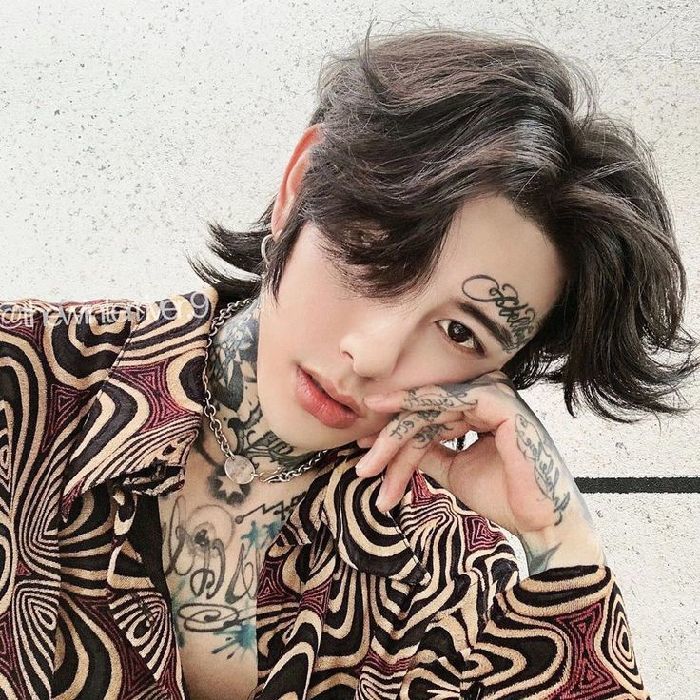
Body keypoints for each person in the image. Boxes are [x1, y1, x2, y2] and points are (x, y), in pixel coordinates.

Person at [1, 24, 696, 700]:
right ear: (300, 186)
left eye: (460, 332)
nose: (372, 354)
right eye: (373, 254)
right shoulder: (21, 382)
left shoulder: (441, 566)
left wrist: (559, 540)